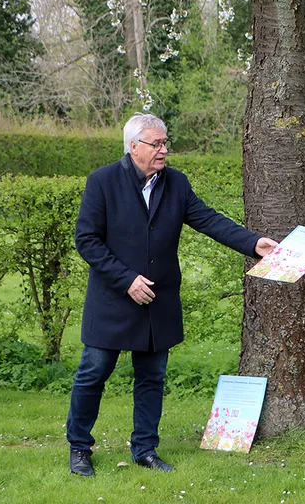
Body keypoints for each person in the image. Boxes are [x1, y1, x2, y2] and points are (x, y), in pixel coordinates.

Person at [67, 113, 278, 477]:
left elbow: (208, 220)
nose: (164, 150)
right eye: (156, 143)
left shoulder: (176, 183)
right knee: (94, 372)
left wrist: (252, 242)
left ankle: (145, 449)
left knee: (152, 377)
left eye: (166, 143)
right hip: (113, 300)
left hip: (157, 303)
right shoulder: (102, 182)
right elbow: (86, 240)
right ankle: (80, 448)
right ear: (133, 147)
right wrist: (126, 279)